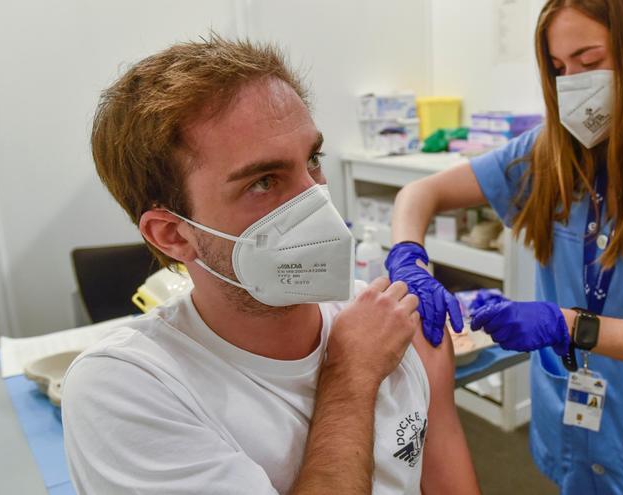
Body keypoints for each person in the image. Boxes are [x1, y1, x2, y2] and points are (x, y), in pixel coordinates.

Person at [62, 36, 479, 495]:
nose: (317, 200)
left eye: (313, 161)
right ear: (174, 234)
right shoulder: (125, 389)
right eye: (264, 181)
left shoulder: (384, 320)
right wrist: (350, 374)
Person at [387, 1, 623, 493]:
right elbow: (420, 194)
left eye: (589, 62)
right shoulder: (549, 153)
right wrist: (408, 258)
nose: (572, 83)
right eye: (559, 68)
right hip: (582, 432)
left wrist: (562, 324)